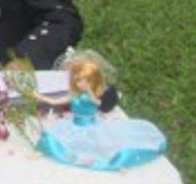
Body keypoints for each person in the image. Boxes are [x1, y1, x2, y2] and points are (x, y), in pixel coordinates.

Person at [34, 50, 167, 170]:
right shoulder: (74, 95)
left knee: (98, 146)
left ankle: (113, 161)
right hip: (74, 125)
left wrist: (90, 91)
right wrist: (38, 95)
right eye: (76, 80)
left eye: (82, 80)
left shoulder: (92, 96)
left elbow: (97, 102)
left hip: (91, 126)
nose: (78, 83)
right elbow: (54, 101)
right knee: (57, 140)